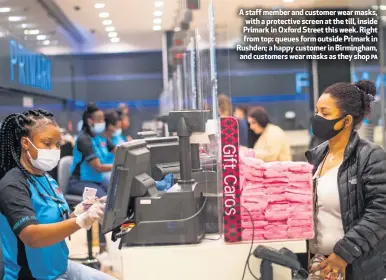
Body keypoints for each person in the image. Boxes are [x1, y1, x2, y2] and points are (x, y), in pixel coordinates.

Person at [0, 109, 114, 280]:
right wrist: (79, 221)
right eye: (47, 143)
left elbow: (55, 222)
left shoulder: (46, 179)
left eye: (58, 144)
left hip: (61, 267)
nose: (54, 150)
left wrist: (79, 212)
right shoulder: (13, 185)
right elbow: (32, 237)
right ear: (25, 143)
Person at [306, 80, 386, 280]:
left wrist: (342, 255)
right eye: (317, 111)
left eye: (325, 113)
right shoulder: (317, 156)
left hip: (355, 267)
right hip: (318, 265)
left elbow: (380, 213)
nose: (317, 118)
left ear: (346, 120)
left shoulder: (370, 156)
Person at [68, 104, 116, 198]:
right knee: (103, 201)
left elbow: (119, 151)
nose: (102, 122)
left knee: (117, 193)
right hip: (80, 182)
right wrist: (119, 166)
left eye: (103, 119)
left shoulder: (100, 138)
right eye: (99, 120)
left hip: (97, 181)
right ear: (90, 121)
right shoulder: (84, 139)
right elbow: (98, 167)